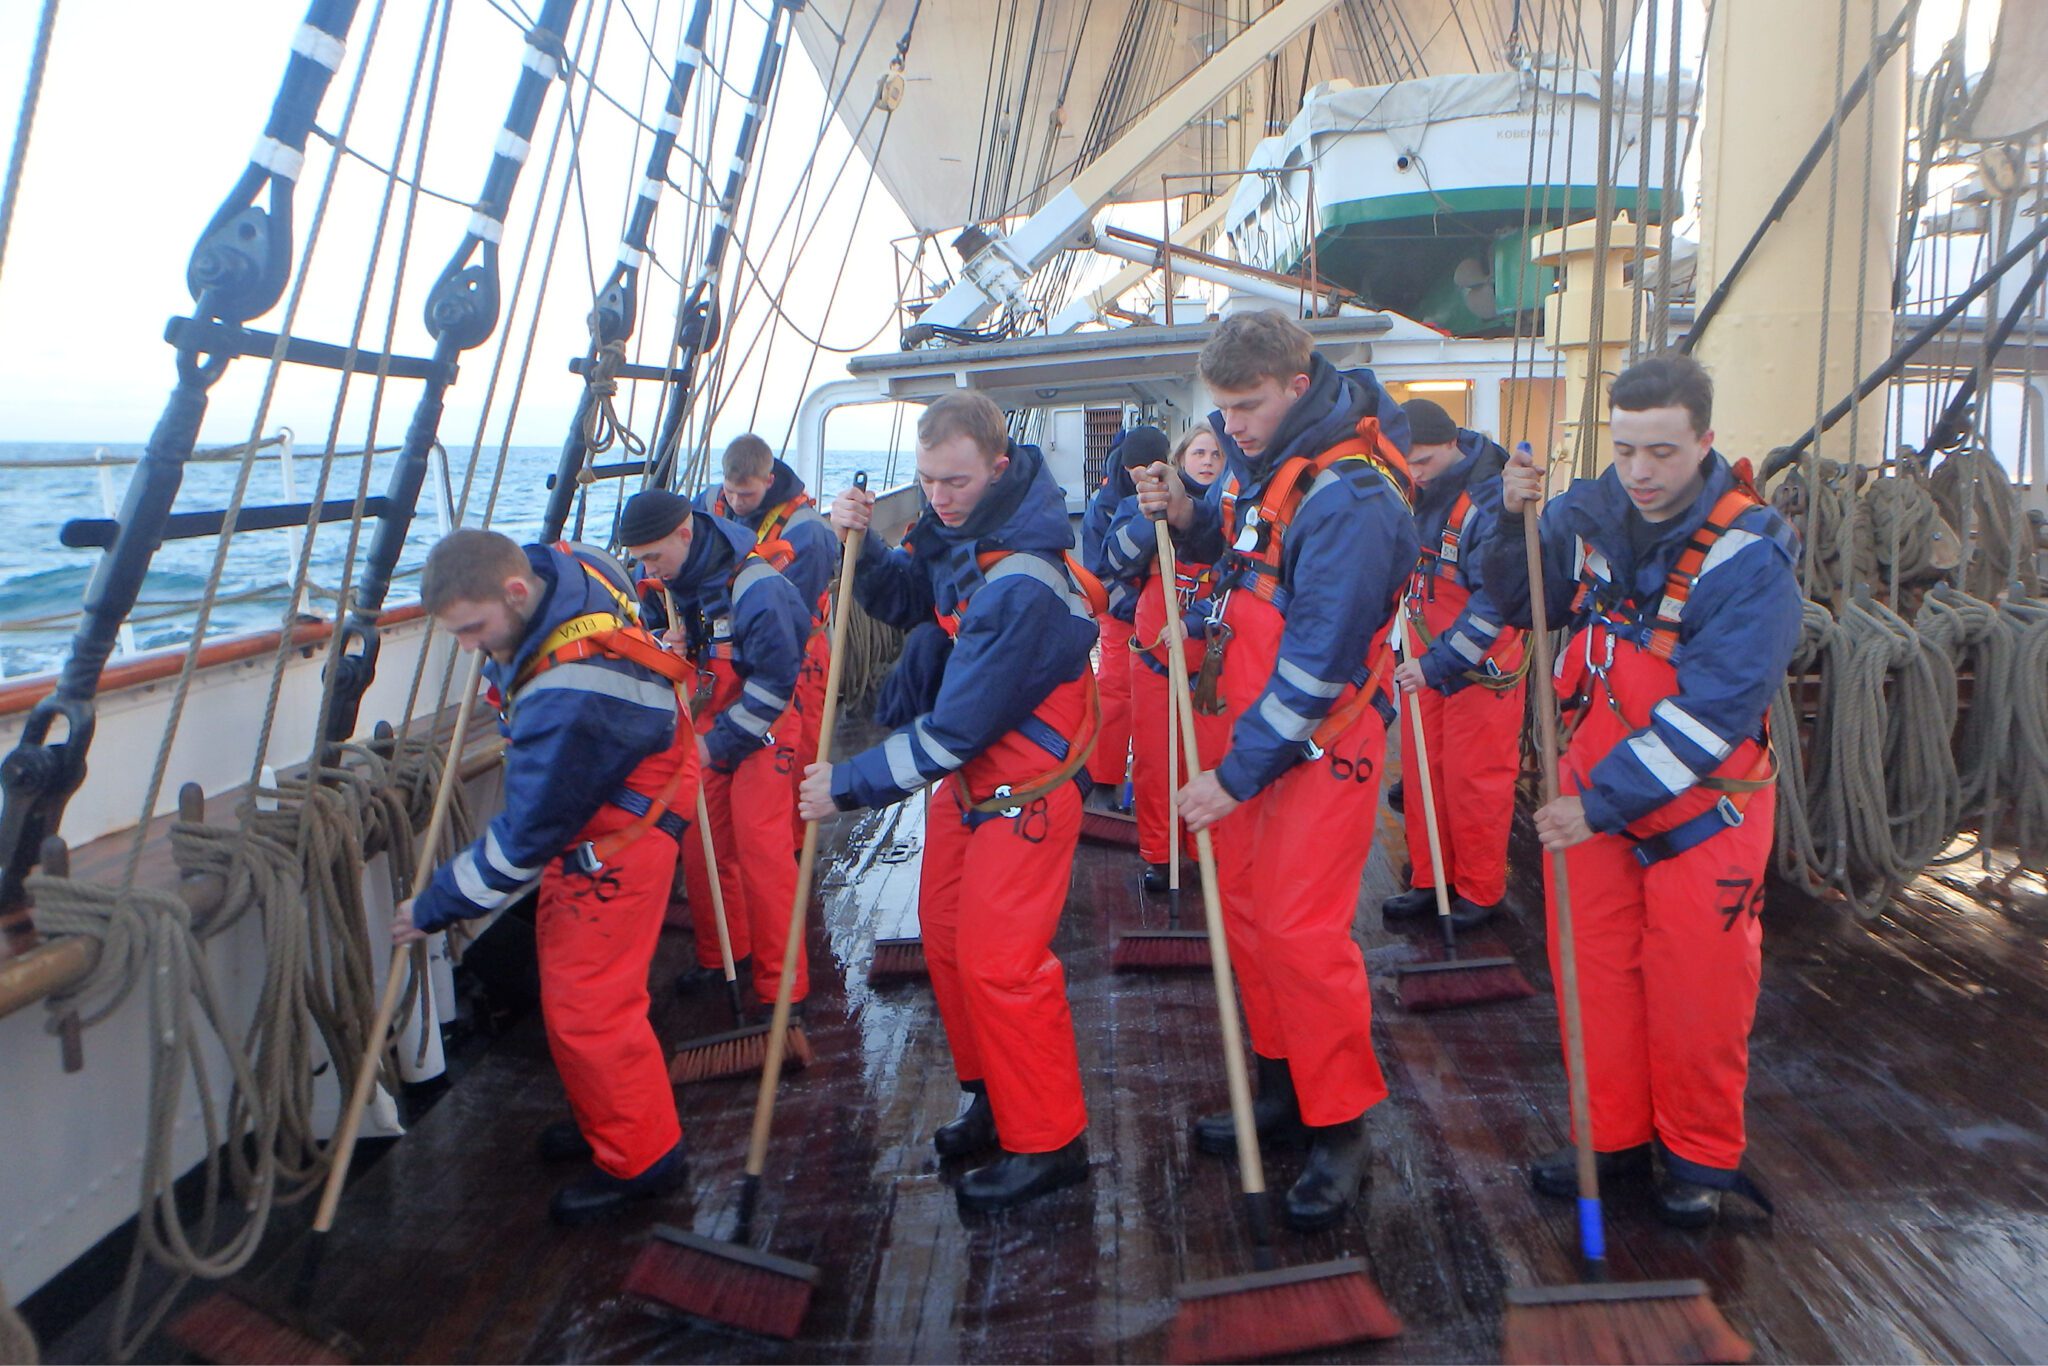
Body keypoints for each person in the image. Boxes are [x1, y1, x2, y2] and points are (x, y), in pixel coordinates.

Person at [1482, 353, 1801, 1228]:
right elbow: (1519, 602)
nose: (1640, 472)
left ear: (1705, 440)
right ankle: (1611, 1140)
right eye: (1625, 450)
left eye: (1662, 451)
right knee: (1593, 978)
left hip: (1702, 808)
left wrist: (1597, 804)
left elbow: (1715, 713)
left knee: (1699, 992)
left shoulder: (1750, 555)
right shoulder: (1581, 514)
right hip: (1594, 788)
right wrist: (1508, 519)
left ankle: (1697, 1160)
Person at [1127, 311, 1416, 1231]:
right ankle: (1285, 1087)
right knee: (1250, 920)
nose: (1231, 427)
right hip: (1256, 741)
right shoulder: (1274, 461)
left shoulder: (1353, 497)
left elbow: (1318, 665)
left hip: (1317, 746)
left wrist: (1234, 775)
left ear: (1297, 385)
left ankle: (1340, 1127)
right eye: (1220, 410)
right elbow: (1245, 556)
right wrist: (1186, 519)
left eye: (1246, 407)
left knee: (1299, 934)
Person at [797, 391, 1098, 1215]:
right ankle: (993, 1096)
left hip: (1024, 793)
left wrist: (846, 786)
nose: (939, 497)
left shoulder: (1022, 583)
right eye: (927, 480)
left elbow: (956, 730)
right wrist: (858, 544)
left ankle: (1051, 1143)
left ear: (998, 468)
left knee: (1004, 963)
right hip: (971, 789)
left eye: (956, 482)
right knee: (948, 940)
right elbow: (911, 598)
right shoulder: (960, 534)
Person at [394, 529, 694, 1225]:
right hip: (616, 786)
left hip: (625, 825)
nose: (468, 647)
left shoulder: (565, 697)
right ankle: (607, 1121)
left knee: (592, 1005)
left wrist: (432, 907)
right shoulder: (566, 563)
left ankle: (644, 1160)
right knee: (569, 994)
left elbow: (521, 843)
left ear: (515, 592)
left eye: (474, 630)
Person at [621, 488, 813, 1014]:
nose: (647, 570)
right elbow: (651, 640)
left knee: (762, 851)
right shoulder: (661, 584)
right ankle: (725, 954)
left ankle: (783, 989)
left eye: (653, 557)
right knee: (703, 848)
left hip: (763, 725)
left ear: (685, 534)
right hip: (707, 725)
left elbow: (774, 687)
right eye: (640, 560)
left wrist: (715, 746)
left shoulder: (758, 589)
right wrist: (661, 649)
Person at [1383, 398, 1527, 931]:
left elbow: (1496, 602)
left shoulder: (1488, 506)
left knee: (1475, 781)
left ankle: (1479, 890)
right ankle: (1431, 878)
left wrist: (1438, 663)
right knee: (1424, 771)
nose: (1416, 474)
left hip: (1479, 667)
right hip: (1426, 657)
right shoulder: (1413, 491)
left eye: (1423, 461)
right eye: (1408, 465)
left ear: (1451, 444)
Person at [695, 434, 839, 842]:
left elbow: (791, 617)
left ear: (769, 480)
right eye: (731, 492)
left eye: (748, 494)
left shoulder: (808, 533)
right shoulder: (708, 505)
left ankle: (794, 845)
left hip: (797, 651)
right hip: (729, 650)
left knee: (797, 751)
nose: (737, 502)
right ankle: (732, 846)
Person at [1105, 424, 1229, 891]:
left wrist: (1195, 621)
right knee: (1156, 761)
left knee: (1212, 760)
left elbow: (1239, 580)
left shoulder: (1231, 515)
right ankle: (1162, 854)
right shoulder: (1135, 507)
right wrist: (1150, 516)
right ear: (1179, 459)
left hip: (1214, 662)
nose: (1207, 461)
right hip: (1155, 660)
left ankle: (1208, 850)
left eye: (1216, 454)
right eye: (1199, 452)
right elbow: (1113, 563)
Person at [1079, 428, 1167, 801]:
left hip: (1164, 613)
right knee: (1115, 689)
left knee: (1158, 694)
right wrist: (1135, 608)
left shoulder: (1174, 495)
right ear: (1127, 468)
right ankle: (1104, 779)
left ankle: (1159, 779)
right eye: (1138, 468)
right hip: (1120, 612)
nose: (1146, 474)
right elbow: (1099, 575)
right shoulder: (1103, 508)